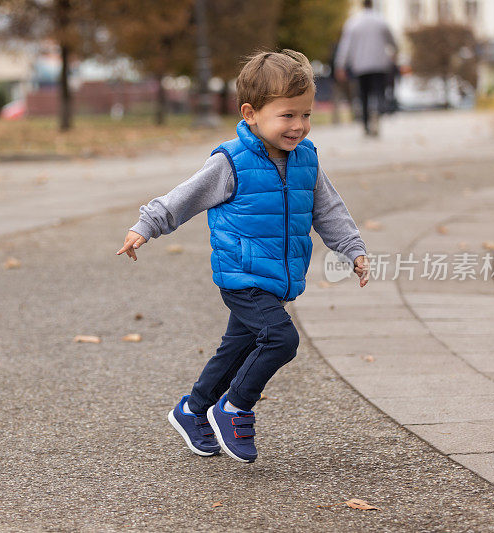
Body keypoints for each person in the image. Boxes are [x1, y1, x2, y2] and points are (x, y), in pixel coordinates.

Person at [116, 50, 370, 464]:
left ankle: (192, 410)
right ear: (251, 113)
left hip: (278, 275)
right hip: (242, 275)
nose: (299, 126)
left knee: (237, 347)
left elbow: (328, 209)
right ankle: (234, 408)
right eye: (287, 116)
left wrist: (352, 248)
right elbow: (186, 196)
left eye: (306, 115)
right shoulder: (230, 161)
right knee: (281, 339)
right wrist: (146, 225)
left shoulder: (306, 159)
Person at [335, 0, 397, 136]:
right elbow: (392, 40)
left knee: (363, 95)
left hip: (360, 65)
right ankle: (377, 114)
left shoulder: (353, 22)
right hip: (380, 64)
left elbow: (345, 46)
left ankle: (366, 124)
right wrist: (395, 53)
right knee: (378, 92)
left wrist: (340, 65)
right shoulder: (381, 20)